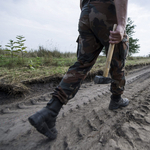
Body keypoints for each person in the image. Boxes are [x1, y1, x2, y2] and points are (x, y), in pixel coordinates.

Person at [28, 0, 129, 140]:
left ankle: (50, 110)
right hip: (106, 10)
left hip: (86, 13)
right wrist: (122, 24)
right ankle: (116, 99)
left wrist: (87, 13)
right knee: (117, 61)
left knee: (82, 63)